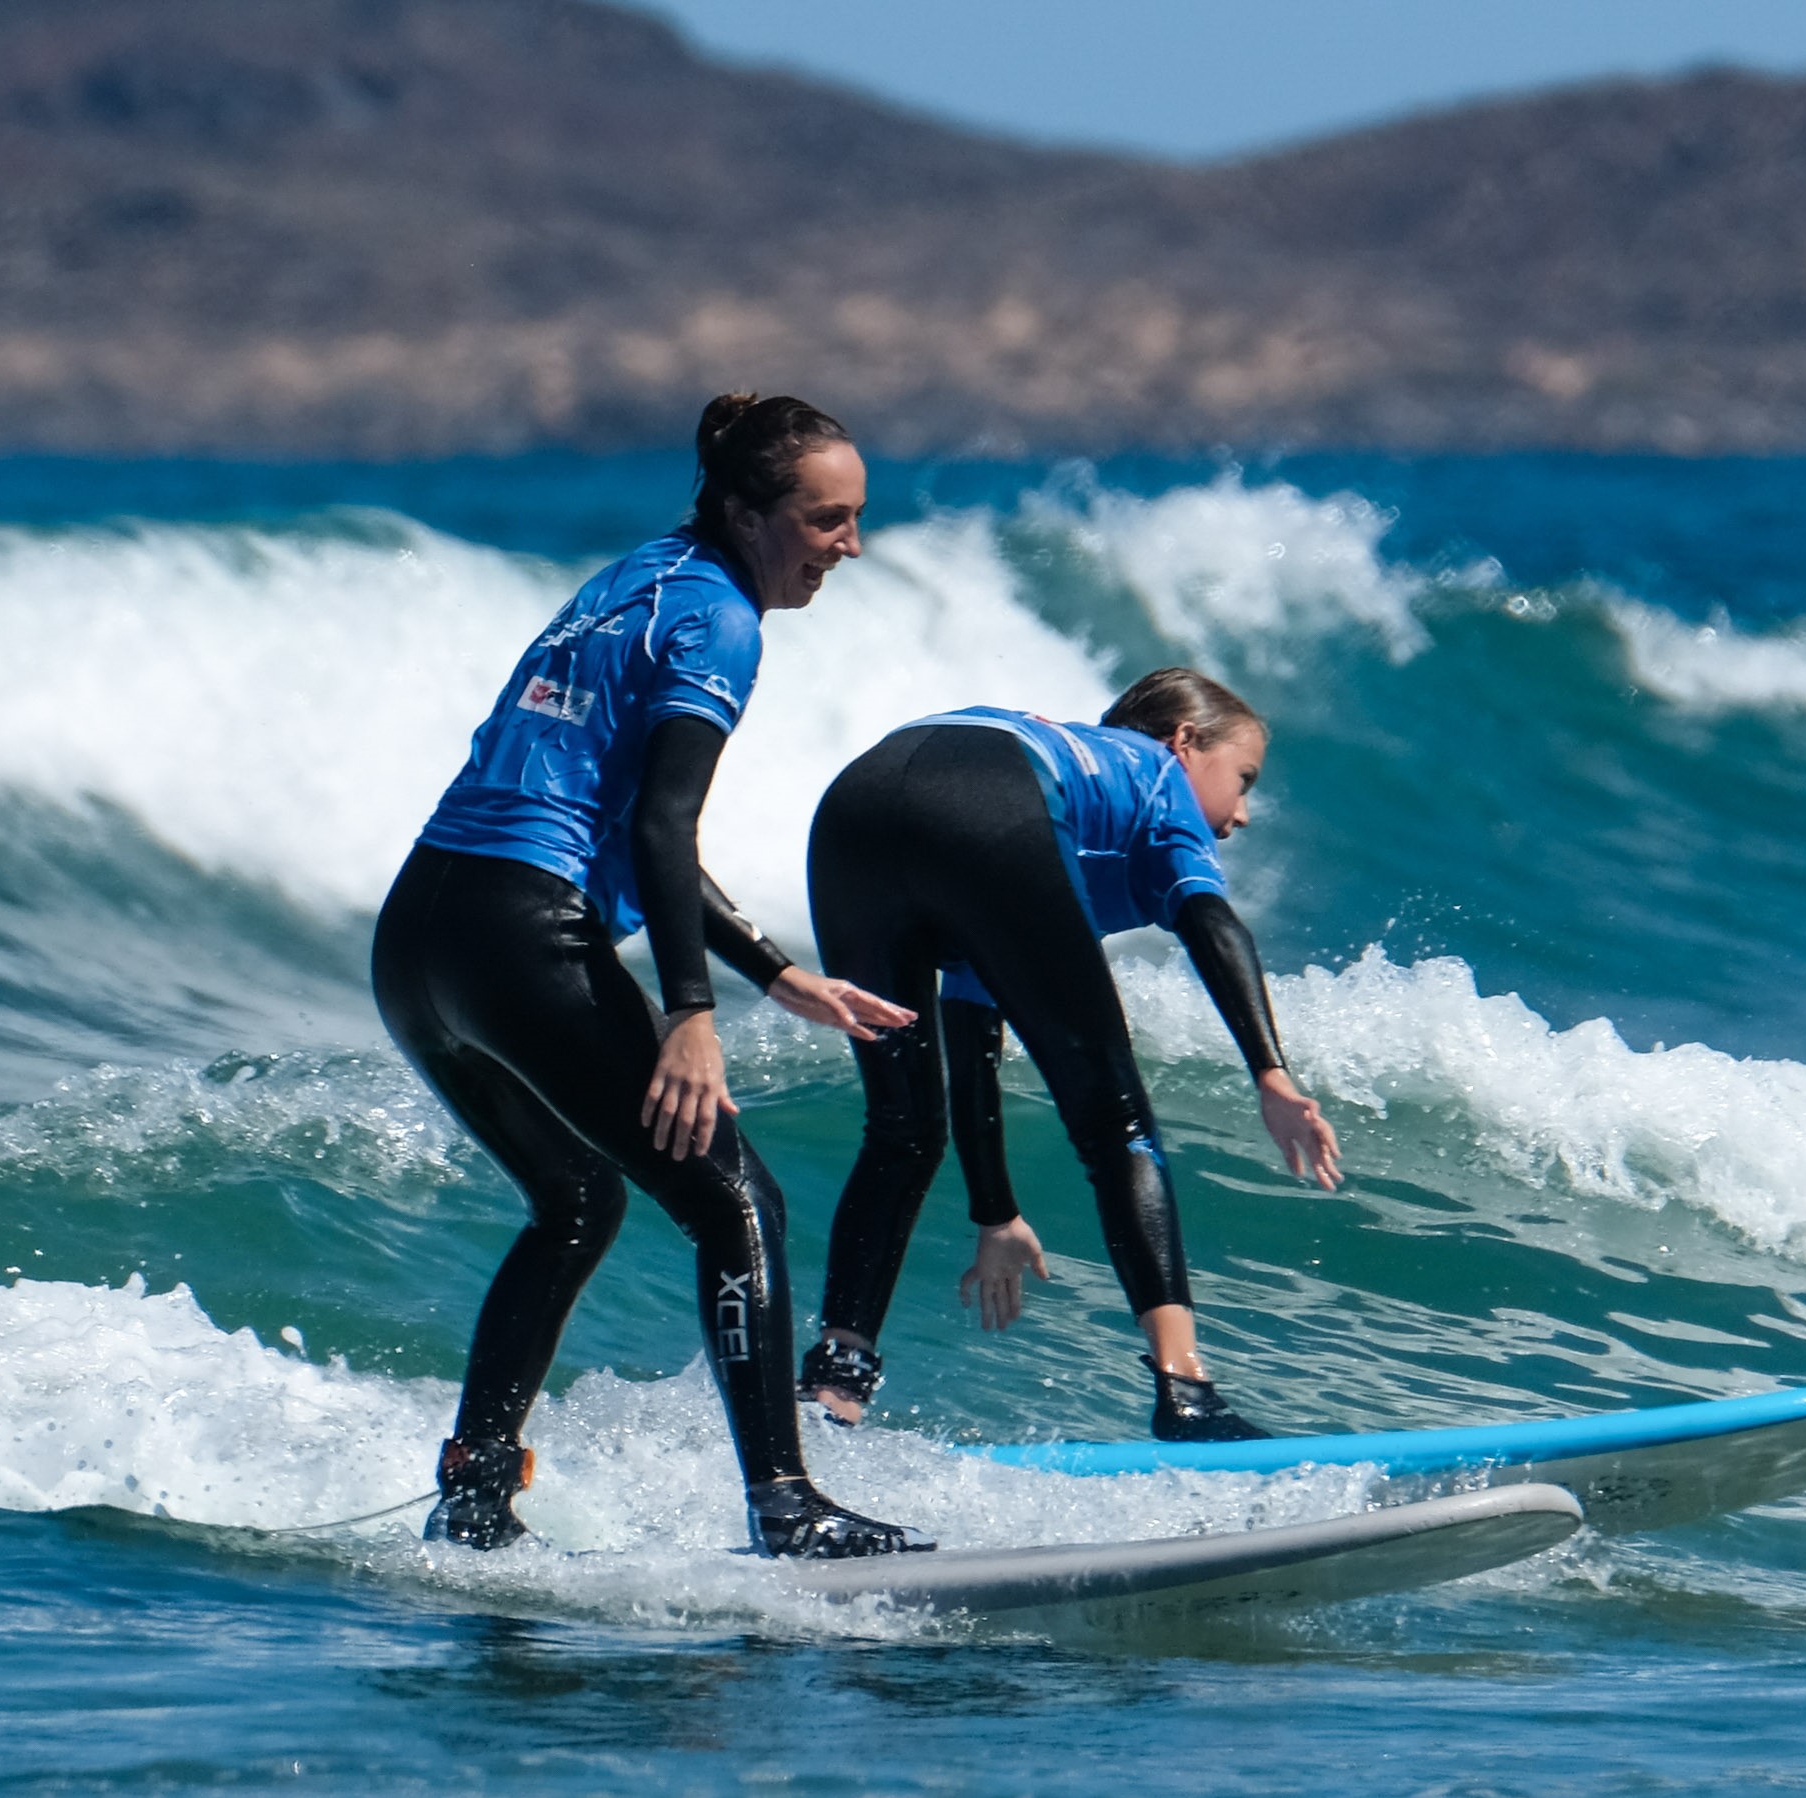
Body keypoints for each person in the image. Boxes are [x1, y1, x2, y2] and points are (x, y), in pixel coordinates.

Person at [369, 392, 928, 1559]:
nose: (850, 546)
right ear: (744, 510)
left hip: (423, 935)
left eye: (856, 519)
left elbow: (625, 826)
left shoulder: (636, 578)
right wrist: (690, 1016)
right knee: (739, 1201)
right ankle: (785, 1500)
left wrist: (777, 975)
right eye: (827, 520)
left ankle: (474, 1490)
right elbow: (667, 831)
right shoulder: (719, 619)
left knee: (578, 1201)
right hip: (523, 932)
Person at [799, 667, 1343, 1440]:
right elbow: (1213, 924)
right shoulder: (1155, 774)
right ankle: (1185, 1388)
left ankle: (831, 1388)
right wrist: (1270, 1072)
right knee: (1119, 1124)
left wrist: (995, 1213)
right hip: (989, 803)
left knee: (902, 1127)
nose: (1243, 813)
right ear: (1184, 742)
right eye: (1243, 778)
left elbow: (970, 1028)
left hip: (857, 803)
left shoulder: (1069, 784)